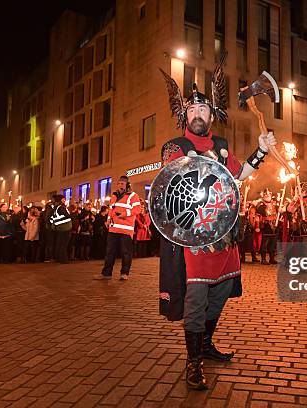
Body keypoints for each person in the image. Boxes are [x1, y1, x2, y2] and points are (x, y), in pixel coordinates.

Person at [158, 59, 276, 389]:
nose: (198, 114)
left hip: (224, 235)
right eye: (192, 109)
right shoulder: (174, 147)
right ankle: (193, 362)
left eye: (203, 110)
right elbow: (176, 179)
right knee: (196, 299)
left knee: (221, 291)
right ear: (185, 115)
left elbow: (238, 175)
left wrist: (261, 151)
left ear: (211, 116)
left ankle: (206, 344)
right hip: (194, 236)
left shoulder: (222, 145)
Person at [96, 175, 141, 280]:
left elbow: (137, 209)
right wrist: (107, 220)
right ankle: (106, 274)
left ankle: (124, 273)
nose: (120, 185)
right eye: (119, 183)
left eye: (122, 183)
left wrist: (125, 214)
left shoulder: (133, 196)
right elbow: (111, 210)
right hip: (113, 228)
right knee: (110, 252)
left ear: (127, 185)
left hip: (126, 229)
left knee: (126, 253)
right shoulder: (114, 196)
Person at [255, 188, 279, 265]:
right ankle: (263, 259)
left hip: (274, 227)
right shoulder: (261, 205)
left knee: (273, 243)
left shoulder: (275, 205)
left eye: (269, 195)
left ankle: (272, 258)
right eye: (266, 195)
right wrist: (265, 219)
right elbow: (258, 217)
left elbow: (278, 214)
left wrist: (276, 217)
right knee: (264, 243)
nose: (268, 196)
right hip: (265, 226)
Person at [50, 195, 72, 263]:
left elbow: (52, 219)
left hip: (59, 228)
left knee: (59, 244)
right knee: (63, 245)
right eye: (64, 199)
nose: (65, 200)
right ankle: (63, 259)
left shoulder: (55, 208)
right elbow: (68, 216)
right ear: (60, 200)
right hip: (65, 228)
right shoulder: (61, 208)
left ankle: (59, 258)